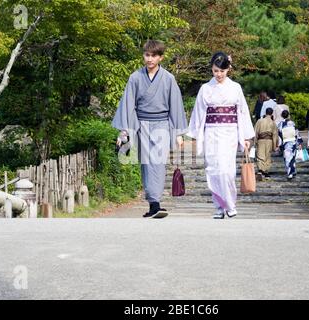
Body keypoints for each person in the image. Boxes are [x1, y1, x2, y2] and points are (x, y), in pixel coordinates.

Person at [112, 40, 188, 219]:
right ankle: (153, 203)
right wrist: (125, 131)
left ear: (161, 57)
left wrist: (178, 133)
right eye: (147, 55)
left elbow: (175, 105)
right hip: (143, 125)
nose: (150, 59)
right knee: (147, 164)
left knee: (158, 164)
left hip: (162, 124)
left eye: (154, 55)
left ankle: (155, 202)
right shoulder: (135, 77)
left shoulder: (168, 78)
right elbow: (128, 105)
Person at [186, 52, 255, 219]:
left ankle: (230, 205)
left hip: (229, 132)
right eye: (215, 71)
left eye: (222, 71)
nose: (218, 74)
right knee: (213, 169)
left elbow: (243, 112)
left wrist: (246, 137)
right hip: (211, 131)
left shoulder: (235, 87)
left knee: (227, 170)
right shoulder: (205, 88)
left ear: (228, 69)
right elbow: (199, 113)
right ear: (212, 69)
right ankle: (218, 207)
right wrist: (194, 135)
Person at [277, 110, 303, 180]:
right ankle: (293, 170)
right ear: (288, 115)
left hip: (286, 142)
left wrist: (279, 144)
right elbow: (297, 133)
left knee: (288, 158)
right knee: (292, 157)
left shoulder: (280, 124)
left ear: (282, 116)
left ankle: (290, 173)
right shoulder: (292, 123)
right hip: (293, 141)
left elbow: (279, 135)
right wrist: (299, 142)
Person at [254, 107, 279, 180]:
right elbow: (275, 135)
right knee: (267, 155)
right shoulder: (273, 123)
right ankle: (266, 171)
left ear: (266, 112)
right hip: (269, 140)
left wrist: (255, 141)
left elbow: (255, 131)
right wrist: (274, 145)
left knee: (260, 154)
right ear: (272, 114)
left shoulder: (259, 121)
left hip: (260, 140)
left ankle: (260, 170)